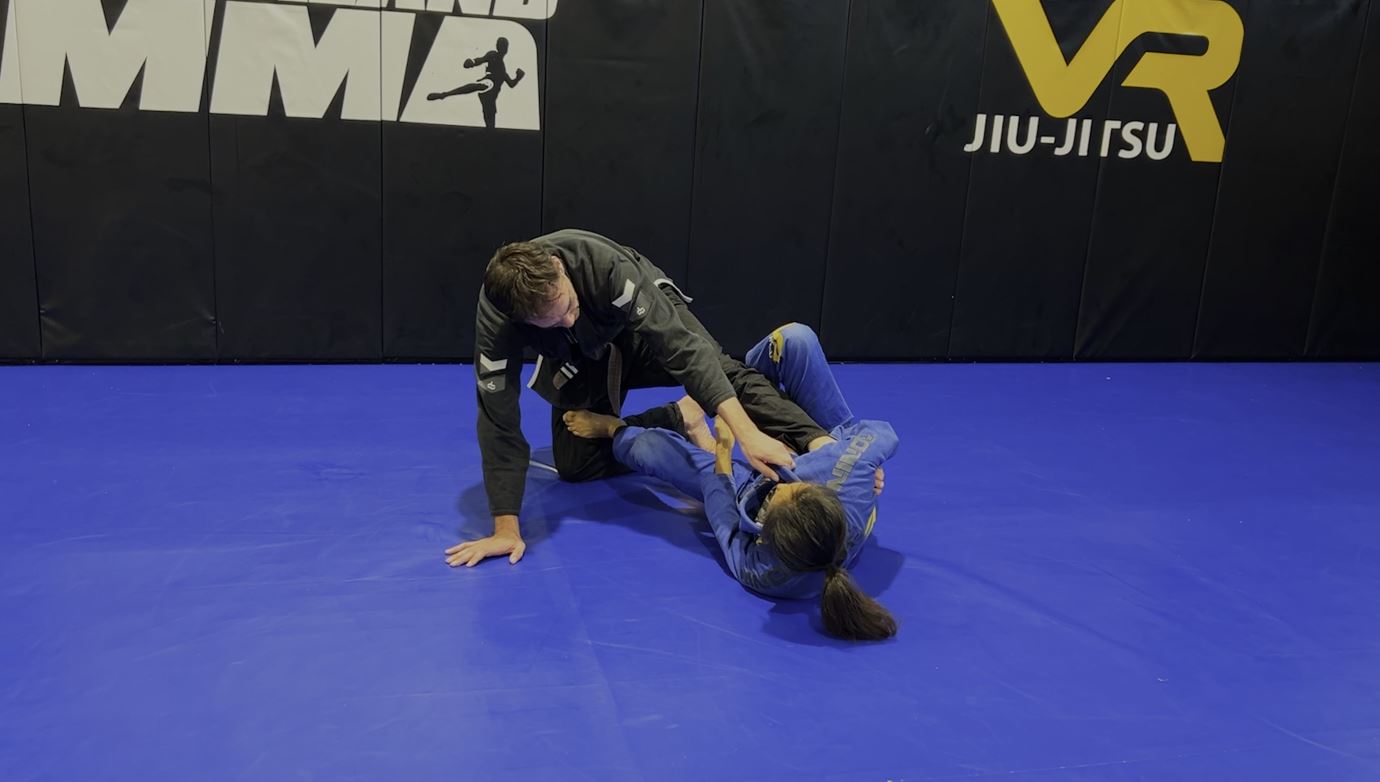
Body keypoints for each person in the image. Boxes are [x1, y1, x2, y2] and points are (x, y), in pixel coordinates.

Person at [446, 229, 835, 568]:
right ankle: (680, 417)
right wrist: (506, 527)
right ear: (522, 321)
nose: (567, 318)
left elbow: (684, 352)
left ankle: (819, 443)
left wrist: (747, 435)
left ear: (558, 267)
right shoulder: (500, 320)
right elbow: (497, 420)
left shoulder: (602, 264)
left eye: (566, 305)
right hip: (585, 351)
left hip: (640, 327)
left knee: (716, 367)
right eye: (552, 320)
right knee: (576, 464)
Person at [562, 323, 900, 641]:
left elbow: (721, 508)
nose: (781, 483)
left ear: (765, 536)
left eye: (777, 495)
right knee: (795, 339)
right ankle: (731, 386)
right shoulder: (846, 480)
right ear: (818, 489)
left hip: (744, 489)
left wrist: (724, 445)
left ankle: (619, 428)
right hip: (822, 455)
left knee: (649, 450)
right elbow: (882, 434)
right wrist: (828, 448)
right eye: (795, 487)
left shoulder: (766, 572)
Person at [426, 36, 526, 129]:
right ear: (497, 47)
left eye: (504, 46)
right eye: (501, 46)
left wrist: (518, 77)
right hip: (488, 84)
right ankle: (444, 94)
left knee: (490, 119)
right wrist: (473, 62)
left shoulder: (503, 72)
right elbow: (482, 59)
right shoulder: (493, 55)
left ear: (506, 49)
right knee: (483, 85)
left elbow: (511, 84)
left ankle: (490, 134)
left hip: (491, 97)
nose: (502, 49)